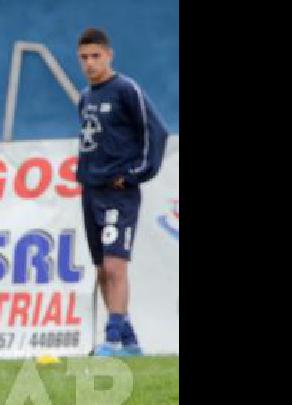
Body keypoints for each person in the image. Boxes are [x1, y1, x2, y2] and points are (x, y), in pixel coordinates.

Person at [74, 27, 168, 357]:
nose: (89, 63)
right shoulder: (85, 96)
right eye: (84, 58)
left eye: (95, 56)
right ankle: (127, 340)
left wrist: (134, 175)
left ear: (109, 55)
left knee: (116, 267)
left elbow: (156, 131)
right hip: (91, 191)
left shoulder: (126, 89)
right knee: (101, 270)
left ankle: (112, 338)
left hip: (118, 193)